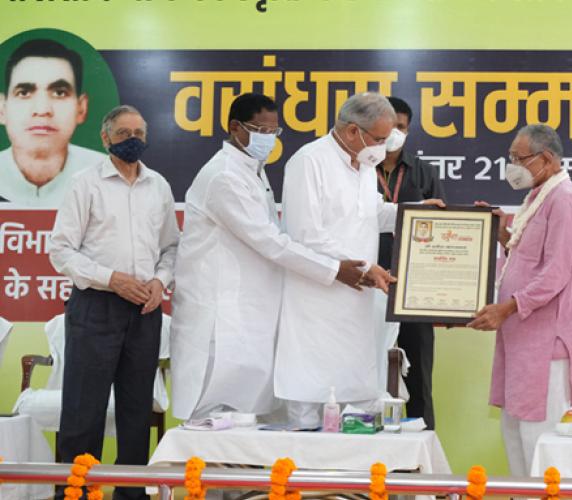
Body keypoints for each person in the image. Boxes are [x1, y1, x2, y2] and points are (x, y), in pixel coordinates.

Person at [169, 93, 375, 421]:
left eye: (274, 132)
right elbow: (270, 242)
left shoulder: (252, 170)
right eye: (260, 130)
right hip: (217, 318)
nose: (268, 138)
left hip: (247, 315)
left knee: (242, 426)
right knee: (209, 425)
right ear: (235, 127)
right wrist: (335, 269)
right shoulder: (223, 177)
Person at [275, 91, 443, 428]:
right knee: (313, 411)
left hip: (359, 307)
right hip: (317, 305)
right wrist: (365, 267)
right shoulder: (309, 162)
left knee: (358, 411)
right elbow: (306, 234)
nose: (383, 147)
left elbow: (372, 214)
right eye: (379, 138)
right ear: (353, 131)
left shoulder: (364, 165)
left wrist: (411, 213)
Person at [49, 105, 179, 500]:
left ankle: (131, 494)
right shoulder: (85, 183)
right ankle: (74, 494)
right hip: (96, 306)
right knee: (82, 412)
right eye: (123, 133)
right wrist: (113, 280)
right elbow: (61, 251)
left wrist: (160, 281)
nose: (133, 139)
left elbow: (171, 248)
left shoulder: (159, 185)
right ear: (105, 139)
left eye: (139, 131)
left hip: (145, 310)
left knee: (136, 412)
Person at [467, 124, 572, 476]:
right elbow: (528, 258)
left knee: (540, 439)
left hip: (546, 339)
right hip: (521, 335)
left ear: (546, 158)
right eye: (510, 156)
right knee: (514, 431)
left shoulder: (565, 199)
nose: (511, 164)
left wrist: (507, 307)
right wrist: (502, 236)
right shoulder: (538, 194)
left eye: (518, 157)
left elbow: (555, 273)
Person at [375, 96, 446, 429]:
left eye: (401, 127)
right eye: (389, 126)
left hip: (413, 292)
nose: (395, 133)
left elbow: (441, 236)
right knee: (368, 378)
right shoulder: (358, 170)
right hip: (367, 286)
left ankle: (419, 470)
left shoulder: (425, 173)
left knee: (419, 382)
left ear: (409, 129)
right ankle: (367, 465)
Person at [0, 38, 105, 206]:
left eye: (59, 93)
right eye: (24, 92)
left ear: (81, 108)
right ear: (2, 109)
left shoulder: (107, 174)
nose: (42, 110)